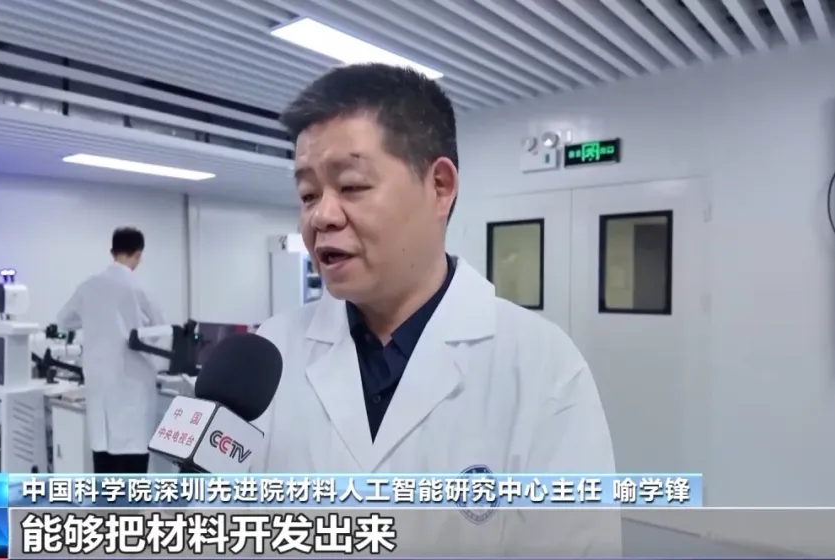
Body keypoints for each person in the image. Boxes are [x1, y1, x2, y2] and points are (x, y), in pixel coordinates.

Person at [251, 64, 620, 556]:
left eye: (352, 186)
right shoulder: (269, 355)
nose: (321, 216)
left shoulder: (543, 366)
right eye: (308, 194)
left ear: (440, 187)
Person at [56, 227, 164, 474]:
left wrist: (91, 321)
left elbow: (63, 320)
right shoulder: (139, 289)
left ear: (112, 252)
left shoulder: (89, 286)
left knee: (104, 457)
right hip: (132, 386)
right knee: (133, 456)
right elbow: (161, 330)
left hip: (100, 387)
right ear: (138, 254)